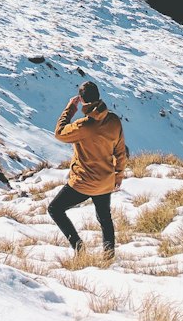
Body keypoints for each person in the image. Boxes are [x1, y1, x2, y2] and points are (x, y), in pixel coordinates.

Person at [48, 80, 126, 255]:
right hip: (106, 181)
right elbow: (120, 152)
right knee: (105, 219)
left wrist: (70, 108)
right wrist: (118, 176)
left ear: (82, 100)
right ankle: (108, 256)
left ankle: (78, 246)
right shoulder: (114, 121)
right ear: (99, 97)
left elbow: (59, 133)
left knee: (55, 209)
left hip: (83, 182)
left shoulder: (83, 126)